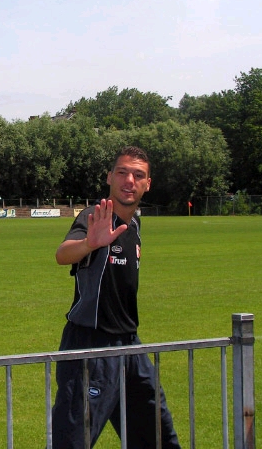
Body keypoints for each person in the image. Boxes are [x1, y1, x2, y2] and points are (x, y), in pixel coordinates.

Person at [51, 146, 181, 448]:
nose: (129, 180)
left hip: (130, 346)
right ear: (109, 177)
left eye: (138, 175)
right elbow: (62, 254)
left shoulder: (135, 223)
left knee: (156, 433)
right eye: (122, 172)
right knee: (73, 440)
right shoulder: (95, 216)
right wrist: (88, 243)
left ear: (147, 184)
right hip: (90, 346)